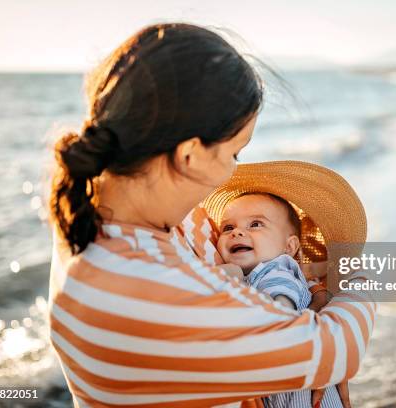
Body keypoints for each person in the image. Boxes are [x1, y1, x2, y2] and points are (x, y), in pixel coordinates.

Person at [48, 22, 374, 408]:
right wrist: (364, 281)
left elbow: (269, 279)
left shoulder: (118, 217)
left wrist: (314, 298)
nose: (233, 172)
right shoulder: (146, 284)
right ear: (189, 154)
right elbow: (335, 350)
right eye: (234, 153)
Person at [211, 175, 367, 407]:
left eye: (255, 224)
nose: (237, 233)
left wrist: (229, 281)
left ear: (290, 247)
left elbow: (277, 318)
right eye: (228, 227)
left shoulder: (274, 272)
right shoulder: (281, 275)